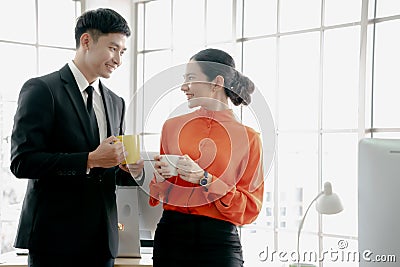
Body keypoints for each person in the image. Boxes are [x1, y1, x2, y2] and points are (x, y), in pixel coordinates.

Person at [10, 8, 144, 267]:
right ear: (86, 41)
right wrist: (90, 160)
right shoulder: (41, 89)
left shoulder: (116, 103)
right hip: (53, 240)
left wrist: (128, 169)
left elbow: (109, 171)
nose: (118, 59)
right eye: (113, 48)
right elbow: (22, 162)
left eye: (122, 52)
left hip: (103, 242)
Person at [149, 48, 264, 267]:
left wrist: (205, 179)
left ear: (216, 82)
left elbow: (250, 208)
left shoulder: (249, 139)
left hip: (219, 242)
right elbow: (164, 193)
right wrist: (157, 176)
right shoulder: (172, 127)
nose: (183, 87)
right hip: (171, 237)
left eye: (191, 79)